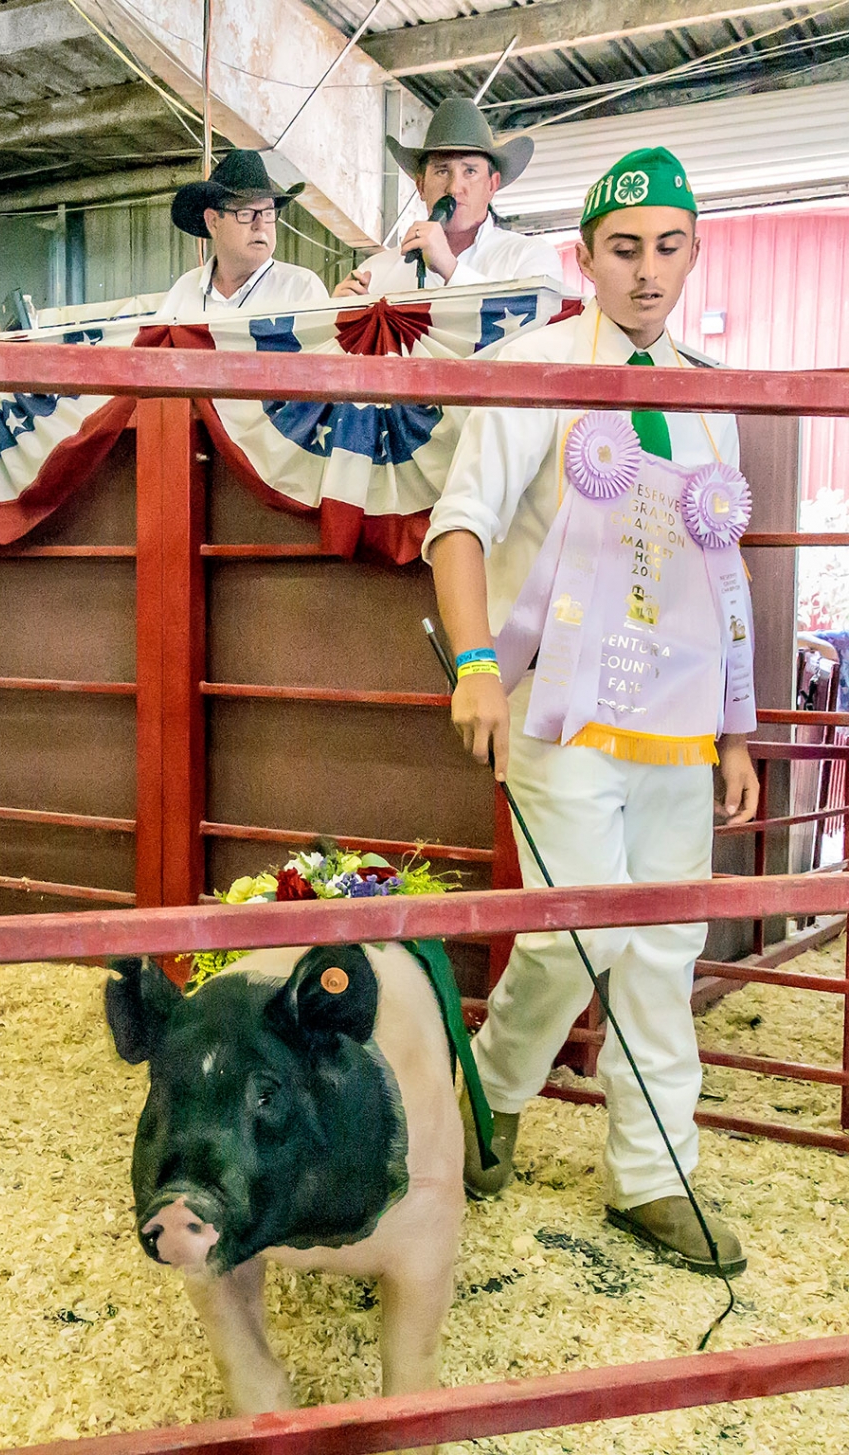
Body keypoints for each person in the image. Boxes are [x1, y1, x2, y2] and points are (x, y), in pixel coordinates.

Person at [425, 147, 760, 1276]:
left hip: (674, 723)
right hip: (557, 711)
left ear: (693, 253)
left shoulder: (711, 397)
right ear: (583, 257)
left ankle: (651, 1179)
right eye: (624, 249)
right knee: (586, 931)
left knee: (663, 944)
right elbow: (459, 522)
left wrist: (734, 728)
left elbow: (720, 572)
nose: (647, 272)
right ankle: (496, 1090)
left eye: (668, 247)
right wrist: (474, 662)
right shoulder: (529, 368)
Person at [333, 99, 562, 298]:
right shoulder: (376, 272)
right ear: (420, 185)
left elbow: (534, 331)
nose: (454, 187)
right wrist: (338, 319)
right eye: (442, 171)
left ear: (492, 185)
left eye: (470, 171)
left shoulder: (530, 256)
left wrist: (450, 267)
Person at [156, 150, 329, 319]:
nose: (260, 225)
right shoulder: (184, 291)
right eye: (246, 213)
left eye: (268, 213)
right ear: (213, 222)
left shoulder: (300, 290)